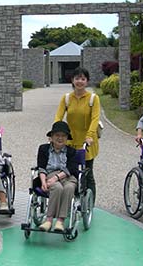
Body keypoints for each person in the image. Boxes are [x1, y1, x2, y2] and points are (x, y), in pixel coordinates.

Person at [54, 67, 100, 203]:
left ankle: (90, 203)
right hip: (71, 141)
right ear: (72, 81)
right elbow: (58, 116)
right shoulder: (67, 98)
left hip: (87, 142)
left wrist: (90, 135)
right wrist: (55, 133)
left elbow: (95, 118)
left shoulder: (93, 98)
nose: (80, 81)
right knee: (71, 171)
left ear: (87, 81)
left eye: (83, 79)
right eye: (77, 78)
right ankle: (72, 199)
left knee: (87, 173)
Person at [37, 121, 79, 232]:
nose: (60, 138)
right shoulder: (43, 149)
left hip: (68, 176)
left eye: (63, 136)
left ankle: (60, 220)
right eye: (57, 135)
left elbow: (71, 169)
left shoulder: (72, 152)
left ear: (67, 138)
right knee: (57, 187)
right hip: (50, 175)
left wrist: (56, 177)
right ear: (51, 137)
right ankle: (49, 220)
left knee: (69, 188)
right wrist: (43, 182)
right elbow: (41, 168)